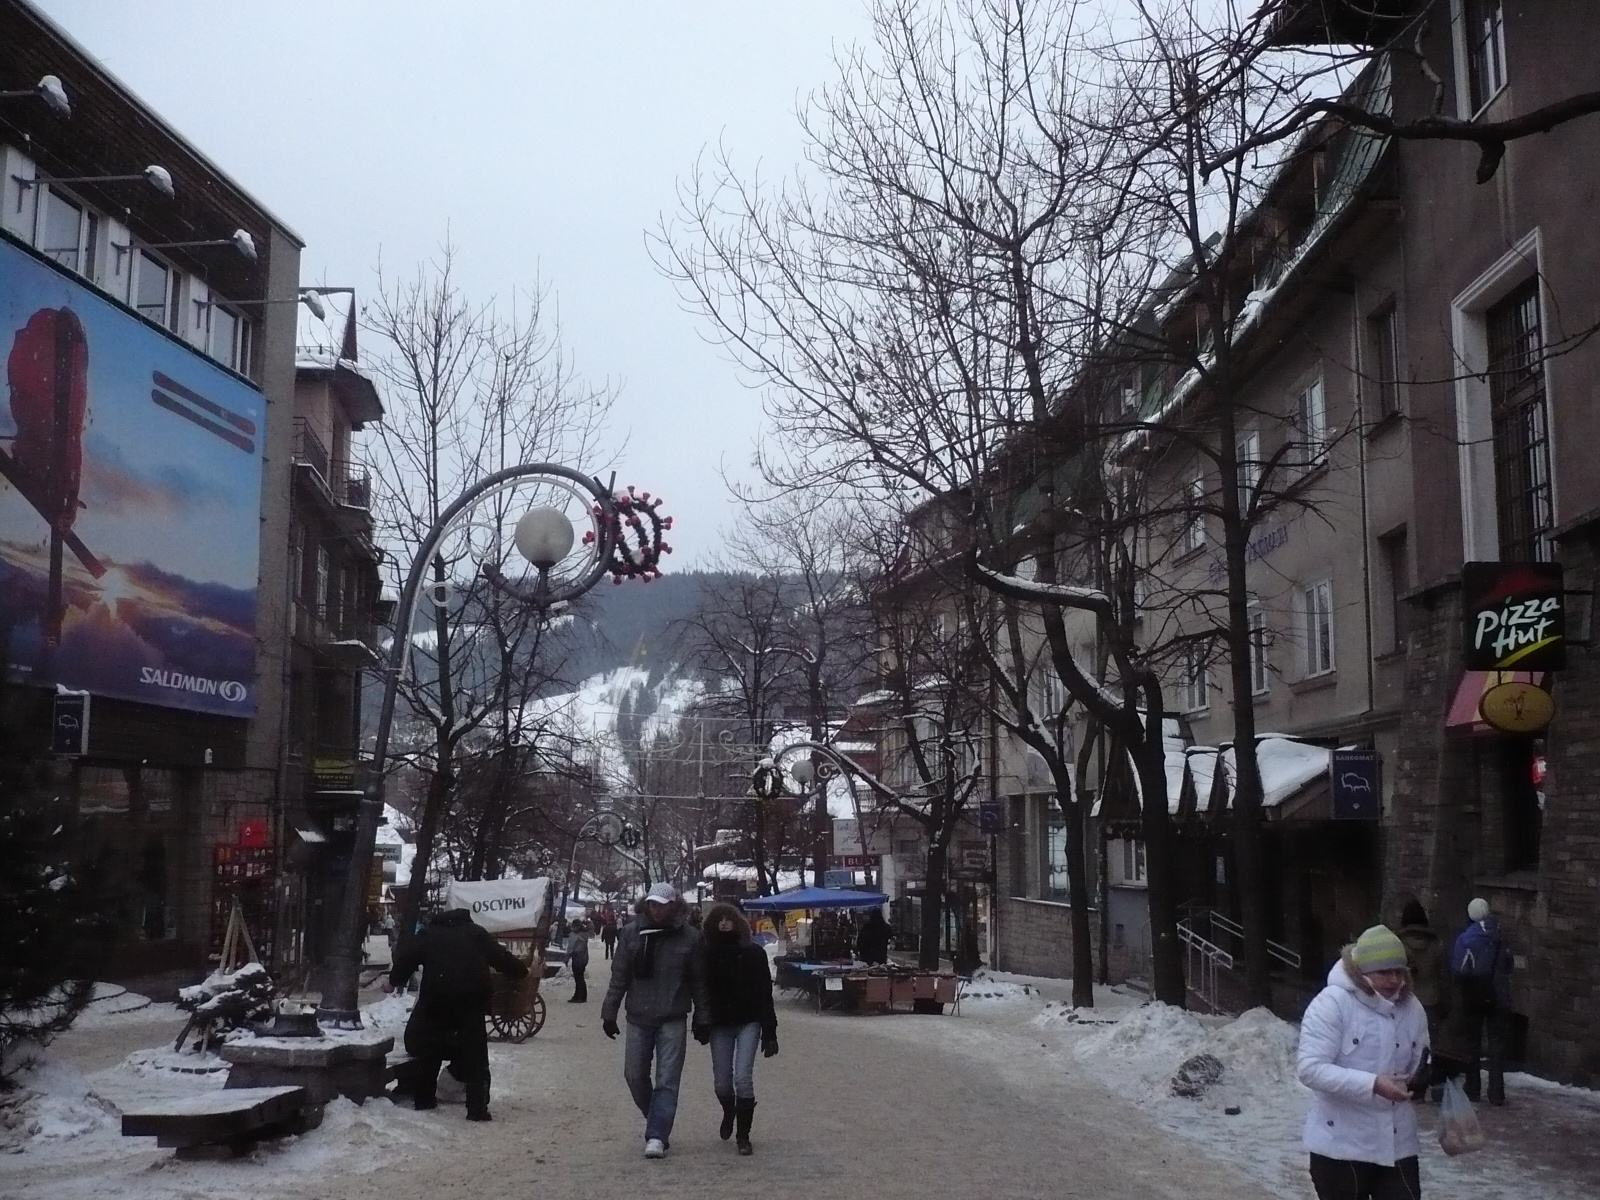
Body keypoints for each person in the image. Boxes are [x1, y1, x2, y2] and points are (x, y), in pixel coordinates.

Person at [1297, 924, 1429, 1200]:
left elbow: (1420, 1058)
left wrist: (1425, 1075)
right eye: (1384, 972)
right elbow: (1310, 1069)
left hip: (1397, 1144)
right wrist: (1373, 1084)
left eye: (1399, 972)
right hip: (1341, 1146)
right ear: (1362, 972)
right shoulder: (1332, 1004)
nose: (1394, 980)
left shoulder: (1412, 1008)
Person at [385, 907, 528, 1121]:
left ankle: (424, 1100)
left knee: (429, 1054)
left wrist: (394, 980)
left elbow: (406, 959)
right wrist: (520, 970)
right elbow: (501, 957)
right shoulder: (476, 933)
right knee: (476, 1057)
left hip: (436, 1002)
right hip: (470, 1004)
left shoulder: (428, 934)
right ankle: (477, 1109)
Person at [600, 882, 710, 1159]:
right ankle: (657, 1119)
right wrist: (609, 1012)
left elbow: (699, 981)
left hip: (672, 1016)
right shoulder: (631, 933)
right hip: (638, 1015)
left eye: (661, 904)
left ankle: (657, 1135)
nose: (656, 909)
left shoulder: (690, 938)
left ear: (673, 905)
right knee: (634, 1075)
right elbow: (619, 976)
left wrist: (703, 1015)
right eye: (652, 903)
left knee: (667, 1080)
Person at [701, 902, 778, 1155]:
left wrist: (770, 1032)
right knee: (722, 1083)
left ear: (738, 922)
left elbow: (764, 993)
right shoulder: (707, 955)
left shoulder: (753, 954)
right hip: (720, 1024)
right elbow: (700, 993)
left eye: (729, 918)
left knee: (743, 1077)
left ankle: (743, 1135)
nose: (724, 923)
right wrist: (700, 1021)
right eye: (719, 919)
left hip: (748, 1020)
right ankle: (729, 1110)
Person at [1440, 897, 1510, 1105]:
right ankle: (1497, 1092)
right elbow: (1508, 964)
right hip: (1499, 995)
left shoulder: (1466, 939)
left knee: (1473, 1042)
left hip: (1475, 995)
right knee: (1497, 1044)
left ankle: (1473, 1087)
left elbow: (1459, 969)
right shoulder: (1500, 935)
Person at [1395, 898, 1449, 1095]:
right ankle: (1425, 1082)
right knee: (1427, 1047)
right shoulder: (1436, 944)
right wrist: (1445, 1002)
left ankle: (1410, 1084)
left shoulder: (1399, 944)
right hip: (1431, 999)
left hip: (1407, 1000)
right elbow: (1443, 975)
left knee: (1405, 1043)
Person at [565, 919, 591, 1003]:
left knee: (578, 978)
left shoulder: (575, 936)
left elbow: (571, 948)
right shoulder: (584, 935)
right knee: (580, 977)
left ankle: (579, 996)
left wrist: (566, 958)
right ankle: (582, 996)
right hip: (583, 958)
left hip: (576, 958)